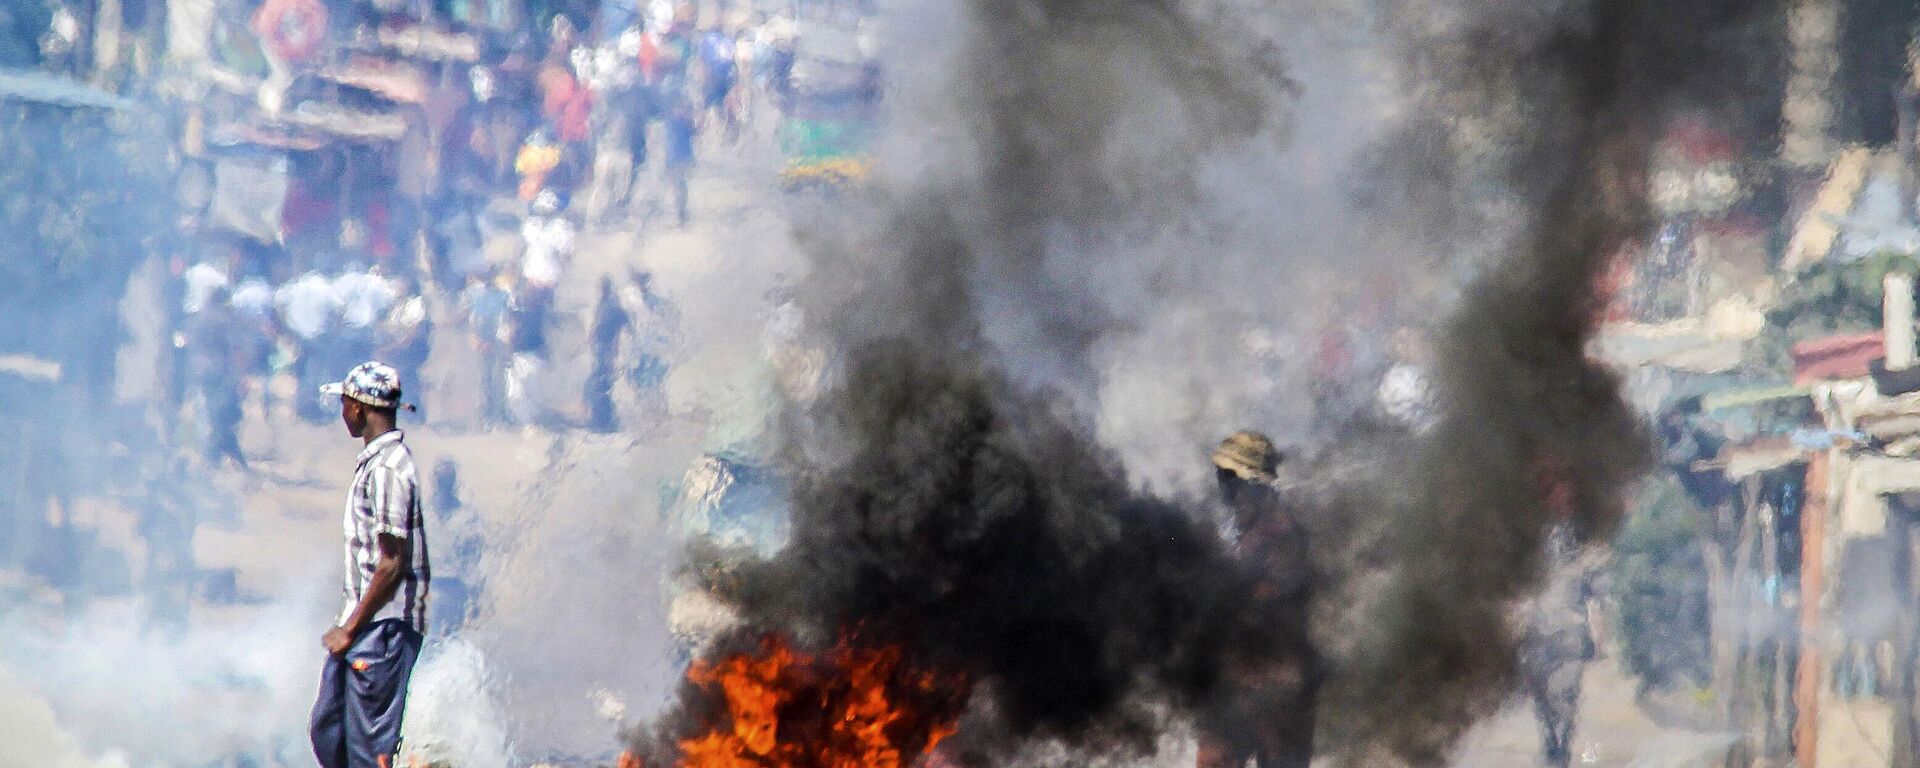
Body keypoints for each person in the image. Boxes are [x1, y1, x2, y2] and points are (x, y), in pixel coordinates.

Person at [310, 361, 430, 768]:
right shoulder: (375, 464)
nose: (343, 413)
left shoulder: (389, 470)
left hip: (383, 631)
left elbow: (392, 565)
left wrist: (350, 628)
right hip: (367, 626)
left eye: (344, 404)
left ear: (358, 408)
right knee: (329, 731)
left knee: (367, 751)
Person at [1197, 430, 1318, 768]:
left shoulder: (1278, 534)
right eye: (1224, 482)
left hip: (1275, 688)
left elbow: (1269, 604)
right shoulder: (1251, 532)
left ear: (1253, 485)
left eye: (1231, 483)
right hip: (1242, 682)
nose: (1227, 495)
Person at [585, 276, 632, 432]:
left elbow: (621, 327)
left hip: (607, 350)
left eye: (601, 287)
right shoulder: (603, 304)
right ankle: (601, 420)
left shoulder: (612, 306)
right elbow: (596, 325)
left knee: (602, 384)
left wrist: (615, 350)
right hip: (600, 349)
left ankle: (604, 422)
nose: (599, 290)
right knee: (598, 384)